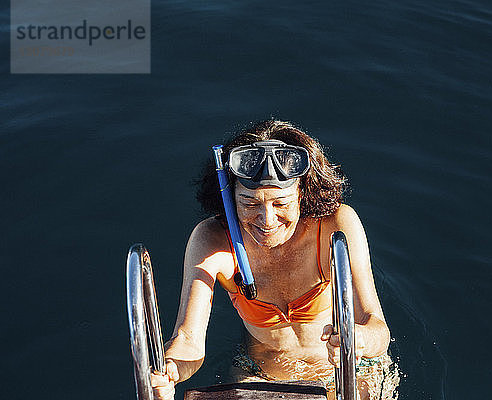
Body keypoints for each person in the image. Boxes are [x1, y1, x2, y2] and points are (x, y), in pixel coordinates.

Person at [151, 119, 393, 400]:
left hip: (350, 372)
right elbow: (189, 341)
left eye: (281, 203)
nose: (267, 221)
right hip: (261, 377)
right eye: (249, 204)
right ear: (228, 198)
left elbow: (377, 328)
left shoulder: (334, 226)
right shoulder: (213, 240)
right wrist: (169, 370)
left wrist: (359, 340)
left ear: (302, 193)